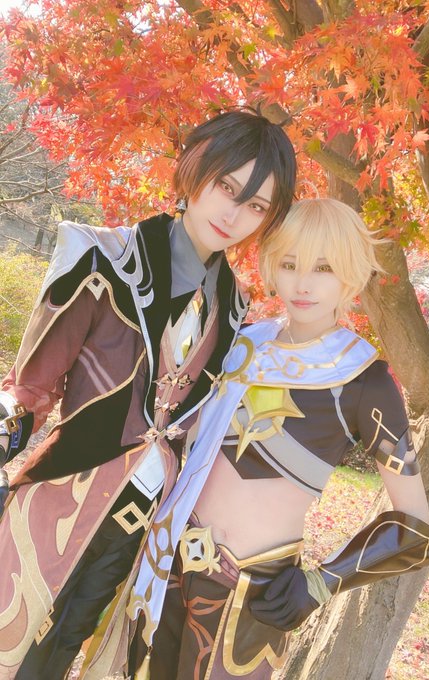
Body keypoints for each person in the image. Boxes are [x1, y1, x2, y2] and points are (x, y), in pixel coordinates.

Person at [0, 109, 297, 680]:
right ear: (194, 168)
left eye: (257, 206)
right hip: (58, 494)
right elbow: (30, 391)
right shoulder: (101, 259)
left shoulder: (236, 310)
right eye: (226, 186)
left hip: (140, 526)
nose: (234, 214)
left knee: (61, 651)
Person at [130, 198, 429, 680]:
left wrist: (321, 583)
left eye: (323, 267)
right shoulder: (239, 342)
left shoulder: (364, 380)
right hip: (168, 560)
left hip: (255, 592)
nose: (302, 283)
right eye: (291, 263)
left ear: (351, 275)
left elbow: (415, 527)